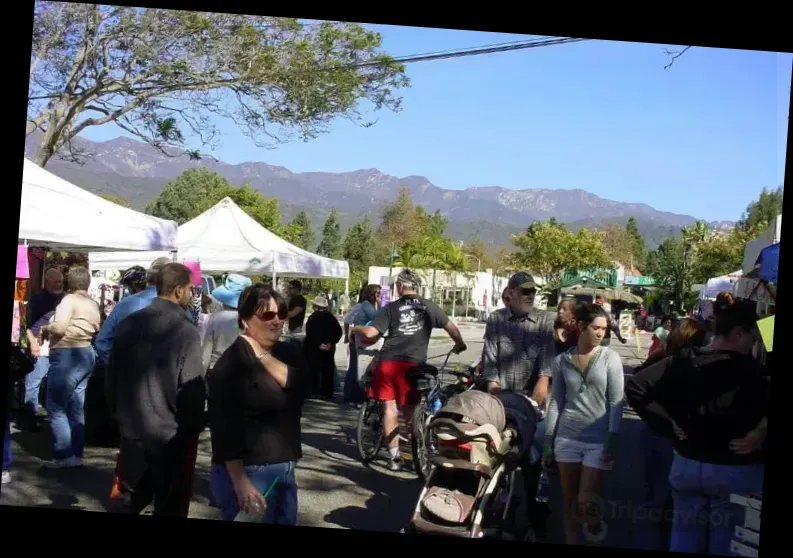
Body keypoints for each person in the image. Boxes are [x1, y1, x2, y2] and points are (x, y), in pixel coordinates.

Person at [624, 302, 768, 556]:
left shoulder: (683, 361)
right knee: (725, 545)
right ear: (738, 333)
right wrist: (759, 433)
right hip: (733, 470)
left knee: (683, 541)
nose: (753, 344)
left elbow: (636, 386)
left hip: (686, 466)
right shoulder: (753, 371)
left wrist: (668, 422)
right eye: (752, 337)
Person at [105, 263, 206, 516]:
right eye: (190, 289)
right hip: (170, 437)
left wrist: (119, 418)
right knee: (169, 503)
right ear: (178, 290)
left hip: (133, 431)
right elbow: (192, 391)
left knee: (129, 501)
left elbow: (111, 378)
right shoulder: (186, 331)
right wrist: (192, 427)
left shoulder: (128, 323)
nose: (192, 295)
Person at [207, 284, 312, 524]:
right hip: (251, 470)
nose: (277, 321)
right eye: (267, 315)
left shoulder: (288, 351)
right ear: (245, 320)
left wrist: (262, 355)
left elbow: (303, 385)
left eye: (281, 314)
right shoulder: (232, 363)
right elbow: (223, 428)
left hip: (284, 467)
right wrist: (240, 482)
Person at [351, 269, 466, 471]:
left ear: (401, 286)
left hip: (388, 363)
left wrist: (354, 328)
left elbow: (370, 332)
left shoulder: (391, 308)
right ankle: (419, 449)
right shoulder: (430, 306)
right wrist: (459, 344)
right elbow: (452, 329)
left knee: (389, 409)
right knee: (410, 411)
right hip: (414, 366)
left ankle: (394, 458)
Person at [481, 271, 558, 538]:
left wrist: (541, 388)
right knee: (491, 454)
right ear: (510, 293)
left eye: (532, 292)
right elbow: (490, 362)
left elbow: (547, 365)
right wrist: (494, 390)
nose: (529, 296)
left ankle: (537, 520)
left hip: (532, 400)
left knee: (534, 457)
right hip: (502, 398)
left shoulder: (545, 320)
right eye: (524, 291)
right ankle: (489, 510)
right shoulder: (496, 320)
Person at [542, 303, 625, 545]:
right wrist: (549, 440)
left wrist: (613, 437)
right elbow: (556, 401)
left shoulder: (610, 358)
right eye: (596, 328)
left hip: (598, 441)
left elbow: (616, 401)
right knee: (569, 502)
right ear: (581, 327)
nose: (601, 334)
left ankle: (594, 521)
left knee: (585, 502)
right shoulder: (561, 361)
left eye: (604, 329)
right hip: (566, 438)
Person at [630, 318, 708, 552]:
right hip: (665, 438)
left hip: (657, 435)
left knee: (655, 500)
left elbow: (637, 384)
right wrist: (669, 420)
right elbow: (635, 385)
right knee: (662, 502)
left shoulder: (665, 358)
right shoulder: (678, 363)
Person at [39, 266, 101, 469]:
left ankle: (64, 455)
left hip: (67, 354)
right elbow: (98, 327)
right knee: (76, 407)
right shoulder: (92, 303)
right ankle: (76, 453)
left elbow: (60, 327)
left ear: (69, 282)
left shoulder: (68, 300)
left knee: (56, 407)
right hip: (86, 353)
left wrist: (47, 328)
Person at [94, 258, 173, 366]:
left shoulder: (124, 304)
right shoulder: (178, 307)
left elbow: (102, 341)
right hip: (163, 376)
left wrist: (117, 365)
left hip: (126, 374)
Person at [21, 268, 64, 431]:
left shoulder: (65, 298)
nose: (59, 284)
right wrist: (32, 343)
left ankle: (51, 417)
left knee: (54, 382)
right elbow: (27, 324)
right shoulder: (37, 299)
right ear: (47, 282)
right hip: (40, 343)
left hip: (58, 345)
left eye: (60, 281)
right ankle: (29, 417)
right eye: (55, 282)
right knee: (34, 382)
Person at [202, 274, 252, 372]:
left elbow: (206, 353)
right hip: (243, 370)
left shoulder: (214, 318)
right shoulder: (251, 320)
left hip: (216, 368)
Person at [304, 295, 343, 400]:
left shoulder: (313, 317)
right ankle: (327, 392)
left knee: (313, 369)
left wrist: (319, 344)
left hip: (314, 347)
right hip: (329, 347)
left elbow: (310, 333)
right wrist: (330, 343)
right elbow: (338, 332)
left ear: (315, 306)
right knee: (327, 369)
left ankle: (313, 391)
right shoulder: (331, 318)